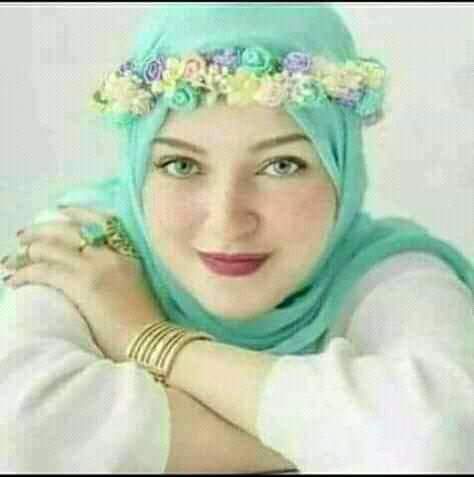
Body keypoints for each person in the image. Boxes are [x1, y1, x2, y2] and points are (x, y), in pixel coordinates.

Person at [0, 3, 473, 473]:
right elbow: (18, 430)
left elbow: (439, 438)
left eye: (281, 166)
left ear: (340, 164)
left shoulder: (384, 268)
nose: (226, 222)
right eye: (181, 165)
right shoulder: (90, 247)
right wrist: (349, 436)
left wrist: (148, 338)